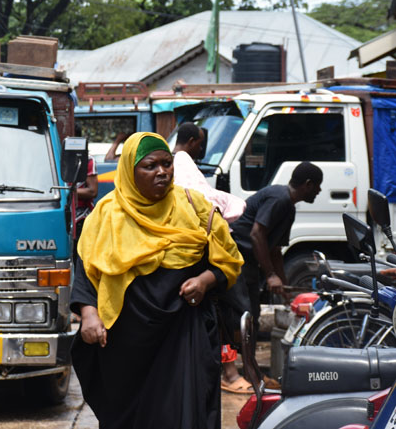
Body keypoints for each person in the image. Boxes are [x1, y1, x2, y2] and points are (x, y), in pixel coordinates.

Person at [71, 132, 243, 429]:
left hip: (184, 334)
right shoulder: (106, 215)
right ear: (129, 170)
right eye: (150, 165)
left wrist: (205, 280)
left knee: (184, 415)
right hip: (125, 344)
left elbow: (228, 260)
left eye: (167, 164)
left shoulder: (194, 208)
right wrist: (88, 313)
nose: (162, 171)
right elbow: (87, 269)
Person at [171, 122, 250, 394]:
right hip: (204, 252)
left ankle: (229, 371)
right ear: (192, 141)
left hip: (196, 255)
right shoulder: (182, 165)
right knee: (229, 312)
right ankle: (231, 373)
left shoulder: (176, 164)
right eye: (201, 143)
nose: (202, 149)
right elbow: (202, 201)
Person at [230, 162, 323, 334]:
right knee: (243, 316)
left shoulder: (289, 208)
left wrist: (285, 288)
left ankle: (249, 359)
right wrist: (271, 275)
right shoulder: (280, 198)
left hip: (247, 260)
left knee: (252, 315)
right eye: (318, 185)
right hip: (235, 256)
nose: (320, 191)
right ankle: (241, 359)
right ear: (308, 184)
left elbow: (275, 251)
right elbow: (256, 234)